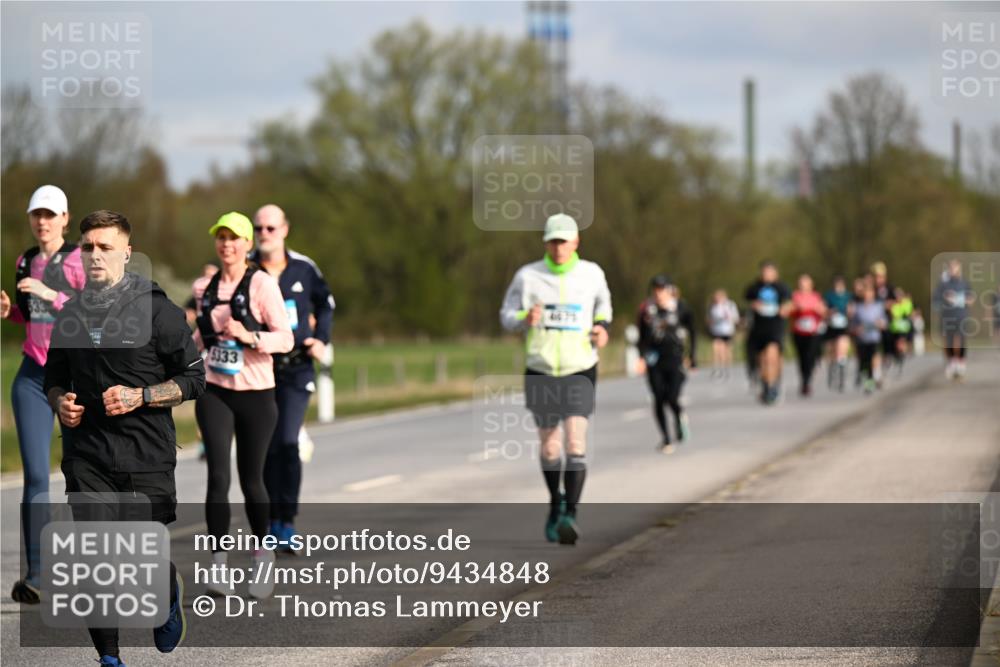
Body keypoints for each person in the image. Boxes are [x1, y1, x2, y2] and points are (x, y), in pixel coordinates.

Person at [44, 209, 205, 666]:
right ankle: (109, 659)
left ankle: (165, 593)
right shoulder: (70, 314)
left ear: (127, 253)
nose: (95, 255)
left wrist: (142, 395)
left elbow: (195, 378)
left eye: (105, 247)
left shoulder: (158, 310)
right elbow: (53, 377)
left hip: (145, 452)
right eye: (88, 247)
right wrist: (60, 401)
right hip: (87, 455)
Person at [193, 212, 293, 597]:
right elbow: (200, 339)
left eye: (234, 238)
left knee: (253, 480)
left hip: (257, 394)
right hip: (215, 390)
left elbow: (285, 338)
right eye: (221, 237)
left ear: (248, 244)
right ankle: (218, 566)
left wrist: (250, 336)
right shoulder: (204, 286)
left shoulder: (263, 285)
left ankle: (262, 559)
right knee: (218, 477)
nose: (227, 244)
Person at [500, 213, 611, 545]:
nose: (558, 248)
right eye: (553, 241)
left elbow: (604, 306)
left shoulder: (591, 273)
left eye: (564, 241)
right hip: (542, 368)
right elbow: (506, 316)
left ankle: (570, 515)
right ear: (545, 243)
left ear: (576, 242)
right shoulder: (528, 276)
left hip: (580, 366)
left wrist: (602, 328)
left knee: (575, 442)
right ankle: (555, 502)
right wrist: (524, 317)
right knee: (550, 447)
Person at [0, 185, 86, 604]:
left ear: (65, 219)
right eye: (37, 214)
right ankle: (37, 574)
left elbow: (97, 309)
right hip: (34, 375)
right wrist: (9, 310)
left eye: (51, 215)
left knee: (82, 475)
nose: (43, 222)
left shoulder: (80, 260)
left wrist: (53, 293)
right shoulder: (25, 260)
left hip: (78, 376)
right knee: (36, 476)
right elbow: (28, 313)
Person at [250, 204, 335, 552]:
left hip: (297, 366)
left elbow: (326, 304)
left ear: (285, 229)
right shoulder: (247, 268)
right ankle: (269, 522)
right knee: (265, 447)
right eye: (259, 229)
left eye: (271, 228)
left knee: (287, 440)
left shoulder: (304, 267)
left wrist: (321, 339)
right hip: (259, 366)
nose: (264, 235)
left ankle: (287, 520)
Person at [637, 275, 696, 453]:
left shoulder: (680, 308)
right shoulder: (647, 310)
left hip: (676, 358)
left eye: (662, 289)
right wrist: (641, 357)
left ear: (669, 290)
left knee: (672, 397)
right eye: (656, 289)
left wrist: (691, 356)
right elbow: (641, 336)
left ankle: (679, 416)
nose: (659, 293)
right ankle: (666, 438)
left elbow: (692, 332)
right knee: (658, 399)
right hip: (654, 360)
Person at [744, 261, 792, 405]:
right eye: (764, 272)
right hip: (759, 328)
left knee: (772, 357)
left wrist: (785, 308)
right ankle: (766, 385)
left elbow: (790, 303)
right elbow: (747, 301)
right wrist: (754, 305)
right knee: (762, 360)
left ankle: (773, 386)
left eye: (770, 272)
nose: (766, 275)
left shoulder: (781, 287)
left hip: (775, 327)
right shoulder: (755, 288)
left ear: (775, 273)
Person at [933, 258, 974, 381]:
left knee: (960, 339)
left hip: (961, 316)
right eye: (951, 268)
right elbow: (935, 301)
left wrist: (957, 300)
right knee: (948, 341)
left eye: (956, 267)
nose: (953, 270)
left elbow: (971, 300)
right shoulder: (943, 284)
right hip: (947, 316)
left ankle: (960, 363)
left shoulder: (965, 283)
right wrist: (944, 300)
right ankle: (951, 362)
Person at [788, 273, 827, 396]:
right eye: (801, 283)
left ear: (811, 284)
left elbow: (824, 312)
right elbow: (787, 310)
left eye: (805, 283)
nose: (803, 285)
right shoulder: (795, 296)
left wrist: (815, 308)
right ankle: (804, 379)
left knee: (810, 356)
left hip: (812, 332)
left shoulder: (816, 296)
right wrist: (796, 308)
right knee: (801, 357)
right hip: (798, 331)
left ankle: (807, 381)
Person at [851, 283, 887, 394]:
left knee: (872, 359)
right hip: (862, 339)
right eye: (865, 293)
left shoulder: (878, 307)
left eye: (870, 293)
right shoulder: (858, 308)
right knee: (864, 362)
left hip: (874, 338)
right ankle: (867, 379)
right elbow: (852, 325)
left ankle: (871, 382)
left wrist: (880, 324)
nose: (867, 296)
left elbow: (884, 322)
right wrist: (856, 329)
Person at [823, 275, 852, 392]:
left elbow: (852, 310)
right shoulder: (829, 296)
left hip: (843, 327)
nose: (838, 287)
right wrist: (829, 312)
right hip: (831, 327)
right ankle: (832, 369)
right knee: (832, 352)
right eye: (836, 285)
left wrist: (850, 312)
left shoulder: (848, 296)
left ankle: (841, 376)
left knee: (841, 349)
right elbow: (823, 310)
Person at [707, 289, 739, 379]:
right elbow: (709, 319)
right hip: (716, 331)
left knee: (726, 351)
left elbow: (736, 318)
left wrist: (729, 318)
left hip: (727, 331)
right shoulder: (712, 306)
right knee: (716, 348)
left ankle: (727, 368)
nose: (718, 299)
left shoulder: (730, 305)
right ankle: (717, 368)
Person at [887, 286, 914, 375]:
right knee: (896, 344)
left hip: (904, 328)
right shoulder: (894, 306)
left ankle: (902, 355)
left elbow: (908, 313)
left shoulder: (907, 303)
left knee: (901, 342)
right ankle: (898, 356)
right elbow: (894, 315)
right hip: (895, 328)